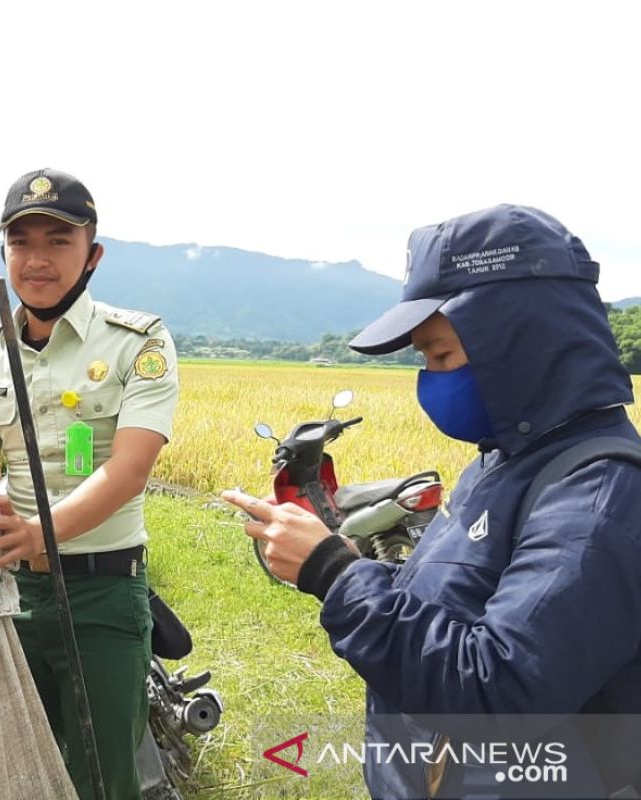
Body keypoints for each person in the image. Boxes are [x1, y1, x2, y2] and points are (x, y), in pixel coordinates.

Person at [224, 204, 641, 798]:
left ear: (521, 342)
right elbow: (450, 610)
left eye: (441, 355)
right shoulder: (500, 465)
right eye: (424, 359)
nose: (430, 379)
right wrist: (350, 559)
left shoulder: (598, 494)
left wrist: (334, 574)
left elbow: (497, 690)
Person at [0, 168, 180, 799]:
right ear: (4, 252)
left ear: (92, 256)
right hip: (12, 596)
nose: (37, 259)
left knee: (104, 779)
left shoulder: (140, 341)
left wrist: (35, 533)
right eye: (21, 241)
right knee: (16, 774)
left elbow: (129, 468)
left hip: (102, 596)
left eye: (58, 240)